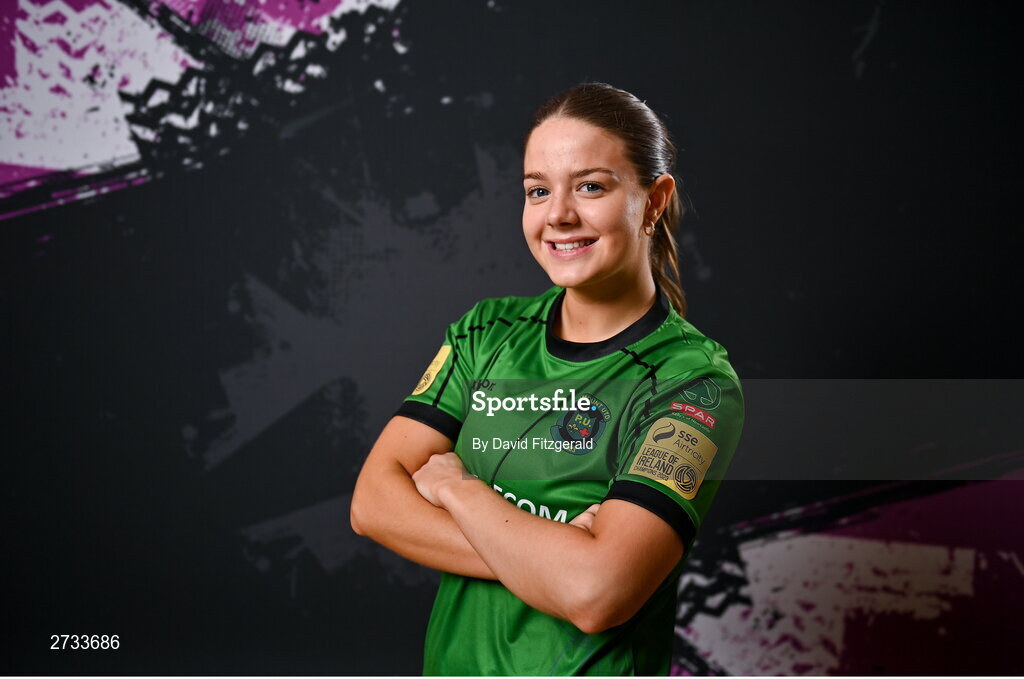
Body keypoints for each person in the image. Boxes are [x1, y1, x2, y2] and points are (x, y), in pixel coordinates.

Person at [350, 82, 744, 675]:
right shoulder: (484, 333)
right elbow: (372, 504)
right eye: (538, 190)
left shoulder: (693, 383)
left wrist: (461, 490)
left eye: (590, 186)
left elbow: (597, 594)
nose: (558, 214)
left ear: (655, 201)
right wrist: (556, 561)